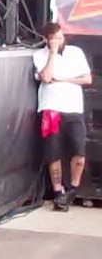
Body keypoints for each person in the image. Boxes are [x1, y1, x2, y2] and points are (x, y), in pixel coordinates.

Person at [33, 22, 93, 210]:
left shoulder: (75, 52)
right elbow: (46, 77)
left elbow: (87, 79)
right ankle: (58, 191)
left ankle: (73, 188)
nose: (59, 41)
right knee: (54, 153)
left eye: (60, 37)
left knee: (79, 152)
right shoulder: (39, 55)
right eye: (55, 39)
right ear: (46, 40)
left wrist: (63, 79)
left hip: (73, 108)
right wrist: (52, 53)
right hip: (51, 109)